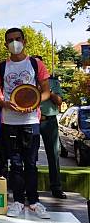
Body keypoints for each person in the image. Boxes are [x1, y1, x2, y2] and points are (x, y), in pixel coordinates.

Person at [0, 28, 51, 219]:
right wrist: (4, 103)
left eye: (17, 39)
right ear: (5, 44)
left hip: (31, 120)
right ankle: (17, 202)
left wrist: (34, 103)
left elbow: (46, 91)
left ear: (24, 41)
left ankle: (34, 202)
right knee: (14, 164)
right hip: (9, 121)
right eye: (10, 40)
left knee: (31, 163)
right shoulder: (0, 67)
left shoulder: (35, 64)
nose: (14, 43)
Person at [34, 56, 66, 199]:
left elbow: (59, 101)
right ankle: (30, 189)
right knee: (30, 157)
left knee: (53, 155)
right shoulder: (27, 80)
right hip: (32, 121)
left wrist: (47, 91)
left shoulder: (52, 81)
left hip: (49, 120)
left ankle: (56, 187)